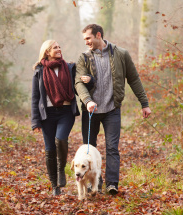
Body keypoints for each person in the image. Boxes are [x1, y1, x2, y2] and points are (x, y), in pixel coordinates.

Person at [75, 24, 152, 195]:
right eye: (84, 39)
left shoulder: (121, 54)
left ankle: (112, 184)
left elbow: (134, 79)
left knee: (112, 148)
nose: (86, 42)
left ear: (98, 35)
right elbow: (78, 83)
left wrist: (144, 103)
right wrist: (87, 101)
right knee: (89, 148)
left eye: (88, 38)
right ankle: (94, 183)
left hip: (112, 109)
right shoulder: (84, 58)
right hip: (91, 111)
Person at [31, 40, 81, 196]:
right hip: (47, 115)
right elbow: (35, 98)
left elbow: (80, 86)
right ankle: (55, 186)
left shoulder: (69, 67)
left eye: (59, 46)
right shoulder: (39, 71)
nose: (59, 49)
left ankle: (61, 169)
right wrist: (35, 121)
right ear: (47, 51)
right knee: (49, 150)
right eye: (55, 48)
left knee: (60, 139)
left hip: (66, 112)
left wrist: (89, 81)